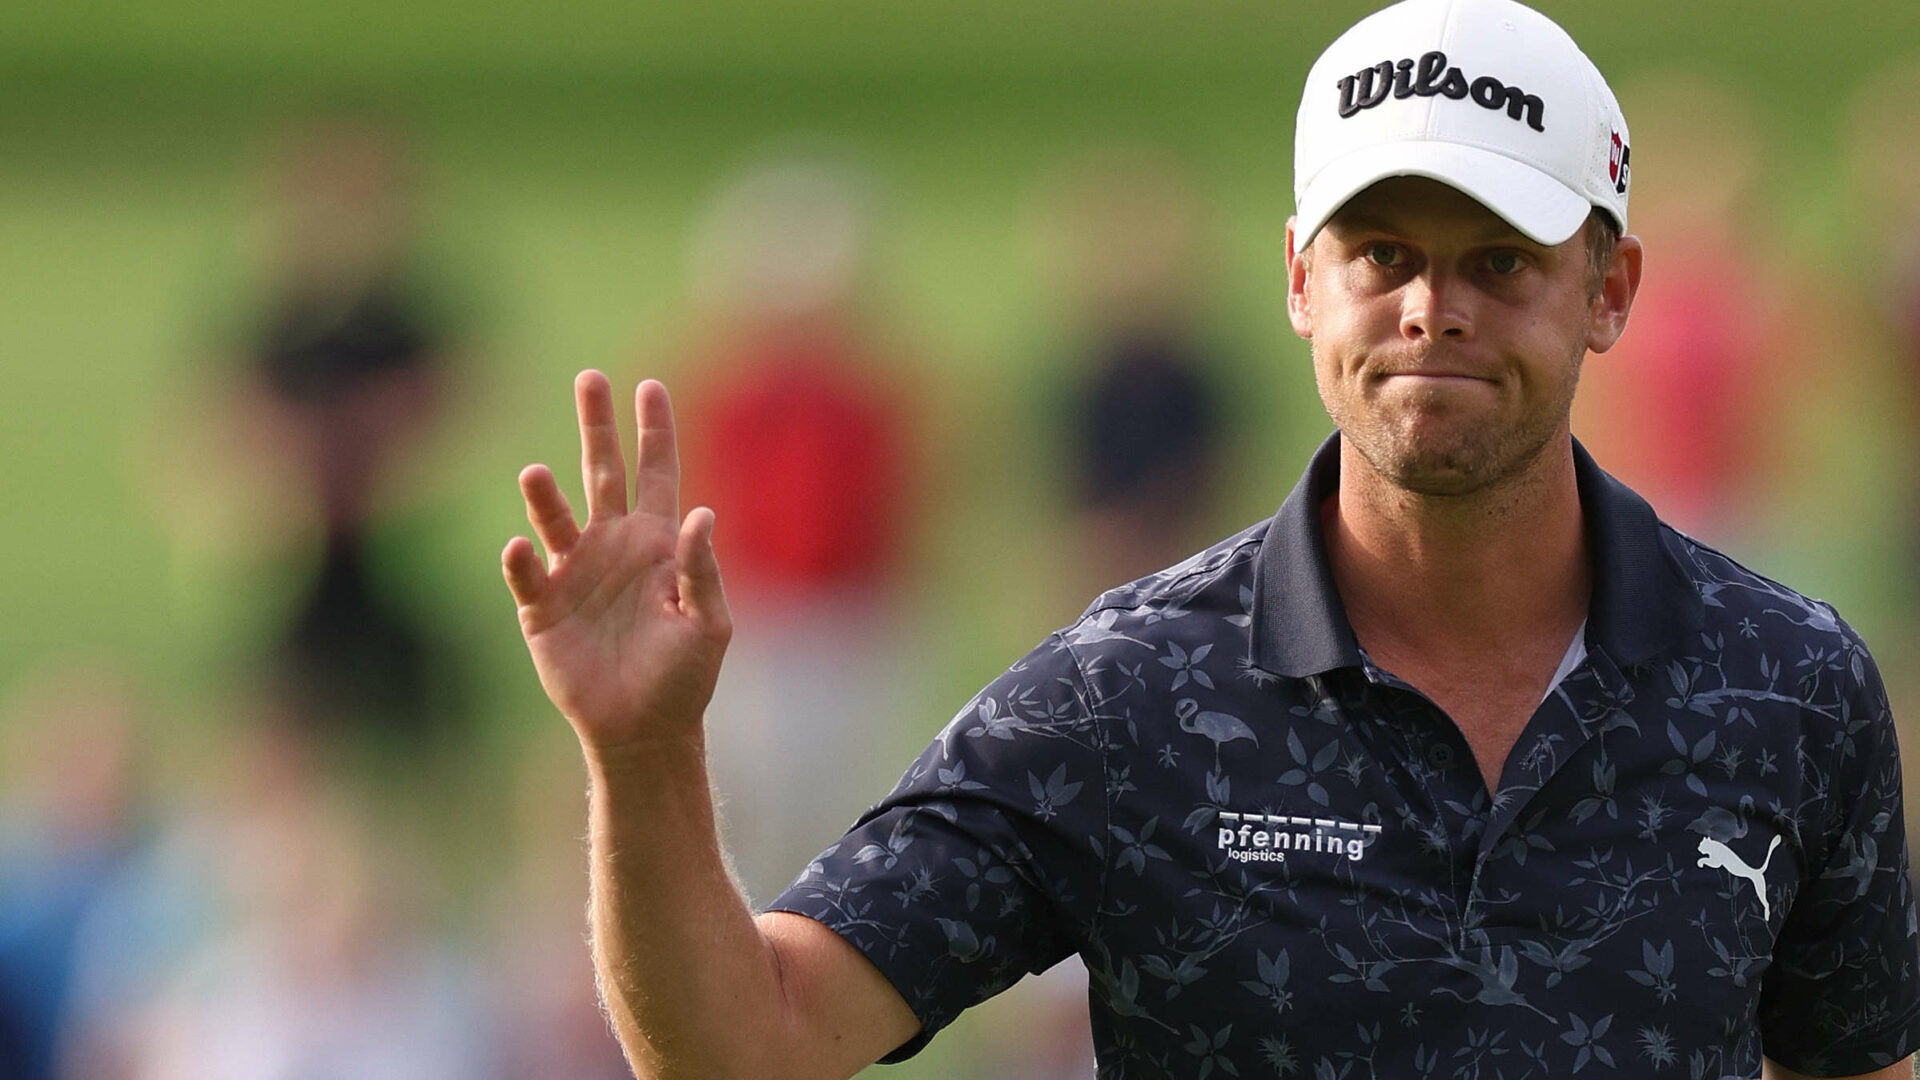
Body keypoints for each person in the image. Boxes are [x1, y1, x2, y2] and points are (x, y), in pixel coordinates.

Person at [499, 0, 1920, 1076]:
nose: (1433, 308)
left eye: (1500, 260)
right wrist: (641, 758)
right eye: (1383, 256)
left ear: (1611, 291)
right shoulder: (1125, 696)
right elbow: (753, 1034)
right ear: (1300, 281)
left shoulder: (1786, 684)